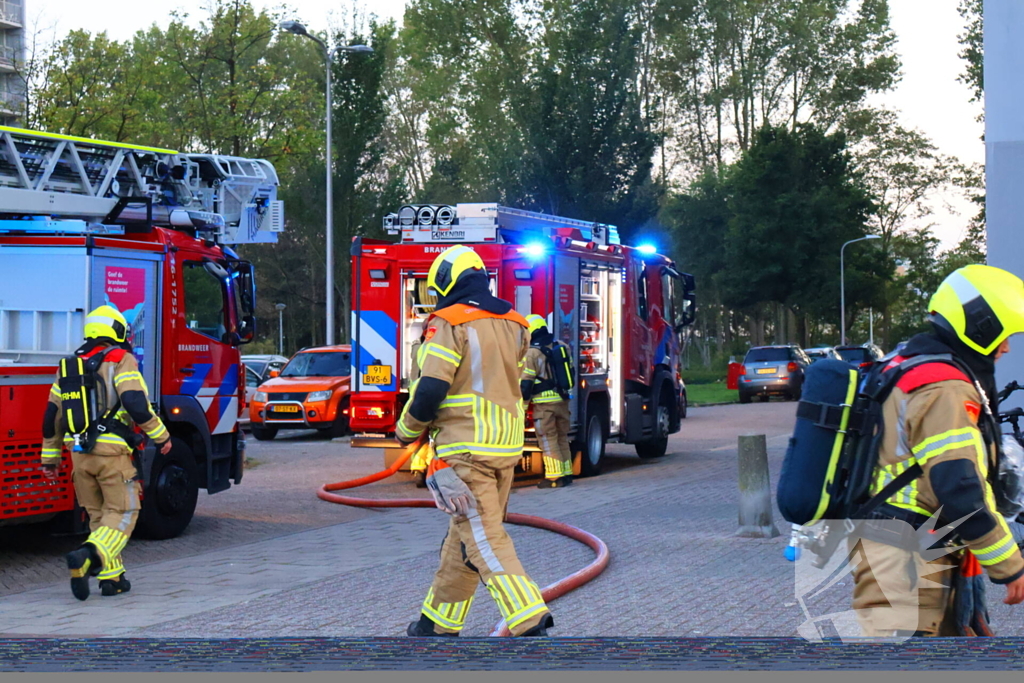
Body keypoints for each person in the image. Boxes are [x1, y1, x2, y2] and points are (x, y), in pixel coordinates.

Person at [850, 265, 1024, 637]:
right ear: (981, 326)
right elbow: (959, 488)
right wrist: (1011, 567)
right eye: (1004, 335)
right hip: (907, 560)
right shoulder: (943, 386)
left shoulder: (910, 363)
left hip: (910, 548)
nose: (1007, 347)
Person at [397, 245, 554, 638]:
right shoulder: (517, 323)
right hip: (505, 448)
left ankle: (528, 616)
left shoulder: (448, 321)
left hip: (464, 449)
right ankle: (437, 622)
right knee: (465, 536)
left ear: (446, 282)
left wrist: (407, 430)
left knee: (484, 538)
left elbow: (431, 388)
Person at [40, 305, 172, 600]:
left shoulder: (69, 367)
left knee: (100, 517)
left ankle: (112, 579)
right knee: (123, 512)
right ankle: (89, 555)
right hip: (111, 455)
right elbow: (136, 403)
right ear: (117, 331)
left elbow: (51, 416)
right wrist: (161, 435)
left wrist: (50, 458)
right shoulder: (120, 360)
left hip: (79, 456)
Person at [521, 314, 573, 488]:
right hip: (563, 401)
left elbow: (526, 385)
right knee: (562, 437)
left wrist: (522, 407)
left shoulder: (531, 353)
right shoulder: (562, 346)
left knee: (547, 439)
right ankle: (567, 474)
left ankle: (553, 477)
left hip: (544, 406)